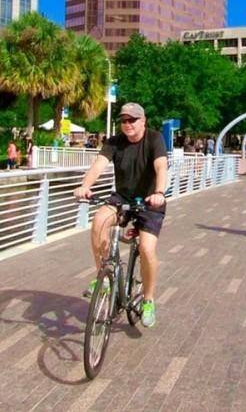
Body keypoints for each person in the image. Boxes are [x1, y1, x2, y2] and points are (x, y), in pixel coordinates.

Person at [73, 103, 167, 328]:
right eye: (123, 121)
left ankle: (148, 299)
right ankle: (103, 278)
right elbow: (98, 166)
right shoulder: (114, 142)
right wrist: (85, 185)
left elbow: (161, 168)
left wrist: (160, 193)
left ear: (143, 121)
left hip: (149, 200)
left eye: (132, 120)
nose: (127, 125)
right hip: (123, 197)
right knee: (99, 221)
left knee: (146, 248)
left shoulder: (154, 139)